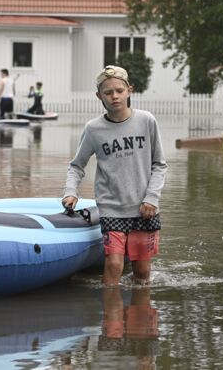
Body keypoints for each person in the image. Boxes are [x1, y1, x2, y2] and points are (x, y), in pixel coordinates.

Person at [62, 65, 168, 286]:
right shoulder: (93, 129)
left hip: (144, 208)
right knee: (113, 265)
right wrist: (70, 192)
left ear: (129, 90)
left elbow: (159, 165)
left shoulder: (146, 121)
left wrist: (152, 198)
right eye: (108, 92)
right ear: (99, 96)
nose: (114, 96)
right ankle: (110, 317)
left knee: (141, 272)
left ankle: (139, 316)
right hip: (111, 207)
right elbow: (76, 166)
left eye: (119, 90)